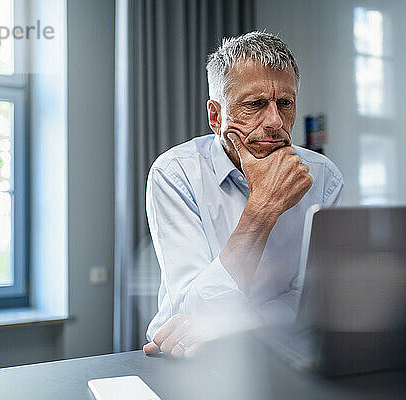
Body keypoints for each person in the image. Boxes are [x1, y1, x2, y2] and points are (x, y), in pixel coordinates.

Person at [143, 31, 343, 357]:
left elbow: (312, 302)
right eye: (255, 104)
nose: (275, 121)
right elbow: (190, 308)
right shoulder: (175, 174)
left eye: (285, 103)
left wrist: (228, 325)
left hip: (282, 357)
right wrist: (264, 206)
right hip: (187, 357)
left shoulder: (323, 177)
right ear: (216, 116)